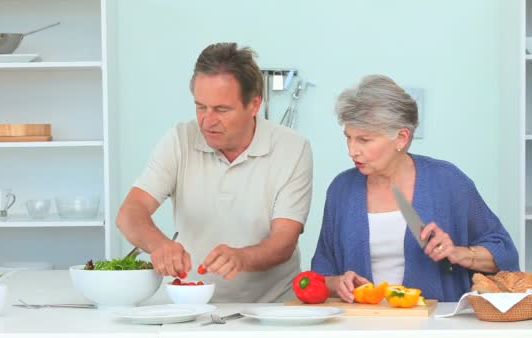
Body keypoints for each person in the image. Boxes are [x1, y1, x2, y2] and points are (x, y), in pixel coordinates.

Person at [116, 42, 313, 303]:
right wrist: (159, 245)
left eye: (221, 109)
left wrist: (242, 257)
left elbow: (283, 242)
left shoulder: (293, 149)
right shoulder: (179, 139)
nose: (207, 121)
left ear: (254, 104)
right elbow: (130, 212)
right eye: (200, 107)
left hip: (274, 307)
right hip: (192, 305)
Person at [312, 74, 520, 302]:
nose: (352, 151)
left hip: (435, 327)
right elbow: (320, 274)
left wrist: (458, 253)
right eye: (348, 138)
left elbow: (505, 254)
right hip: (361, 325)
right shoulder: (341, 189)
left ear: (401, 138)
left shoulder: (448, 181)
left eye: (364, 140)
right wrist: (338, 282)